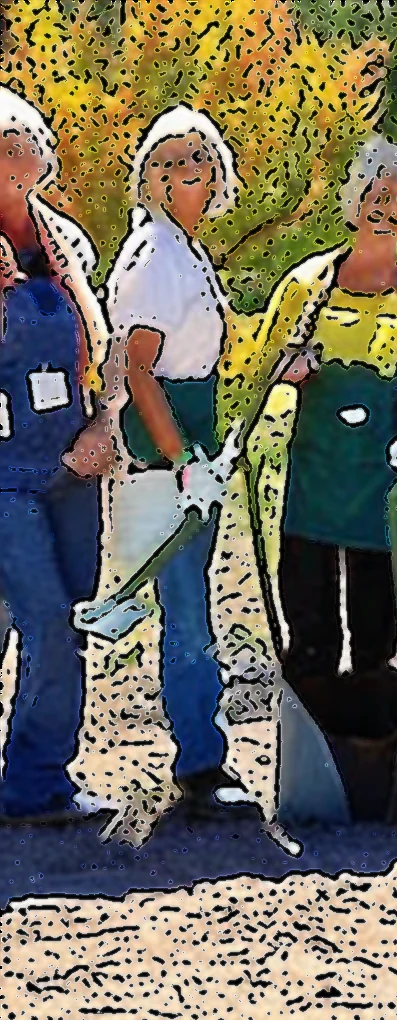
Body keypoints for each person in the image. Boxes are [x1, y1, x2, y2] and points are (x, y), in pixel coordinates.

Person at [272, 136, 397, 742]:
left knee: (379, 631)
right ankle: (309, 760)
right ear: (355, 201)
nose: (388, 208)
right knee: (311, 627)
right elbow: (263, 370)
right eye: (378, 194)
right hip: (316, 482)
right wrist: (288, 373)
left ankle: (374, 760)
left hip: (385, 487)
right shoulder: (307, 286)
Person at [98, 104, 240, 805]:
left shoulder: (185, 250)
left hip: (194, 437)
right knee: (186, 607)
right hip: (169, 447)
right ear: (149, 178)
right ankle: (200, 764)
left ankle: (201, 752)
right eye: (169, 162)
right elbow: (140, 368)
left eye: (196, 159)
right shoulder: (156, 256)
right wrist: (180, 459)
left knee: (192, 599)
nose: (186, 172)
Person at [0, 88, 103, 822]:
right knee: (37, 615)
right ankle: (32, 783)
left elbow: (103, 348)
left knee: (66, 618)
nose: (12, 159)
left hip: (74, 463)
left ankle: (41, 779)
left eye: (20, 143)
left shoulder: (64, 243)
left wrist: (106, 428)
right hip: (5, 472)